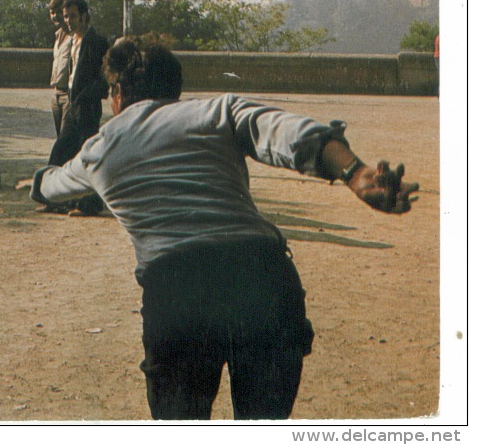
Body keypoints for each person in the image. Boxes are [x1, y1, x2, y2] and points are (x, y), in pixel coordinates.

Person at [28, 33, 419, 420]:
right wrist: (354, 171)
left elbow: (55, 184)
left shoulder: (99, 148)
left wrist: (37, 183)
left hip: (178, 291)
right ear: (175, 87)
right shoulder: (216, 111)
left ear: (116, 94)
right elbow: (282, 131)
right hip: (263, 279)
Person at [47, 0, 109, 216]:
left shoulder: (97, 42)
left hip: (88, 107)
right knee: (62, 151)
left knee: (86, 157)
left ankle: (89, 204)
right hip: (73, 106)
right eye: (66, 16)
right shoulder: (71, 41)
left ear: (84, 16)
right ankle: (54, 198)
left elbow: (104, 80)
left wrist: (84, 96)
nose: (69, 21)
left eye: (72, 16)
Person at [47, 0, 72, 137]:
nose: (55, 16)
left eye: (58, 12)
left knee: (65, 138)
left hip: (68, 95)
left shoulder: (74, 36)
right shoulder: (57, 37)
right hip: (56, 93)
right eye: (52, 13)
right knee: (59, 135)